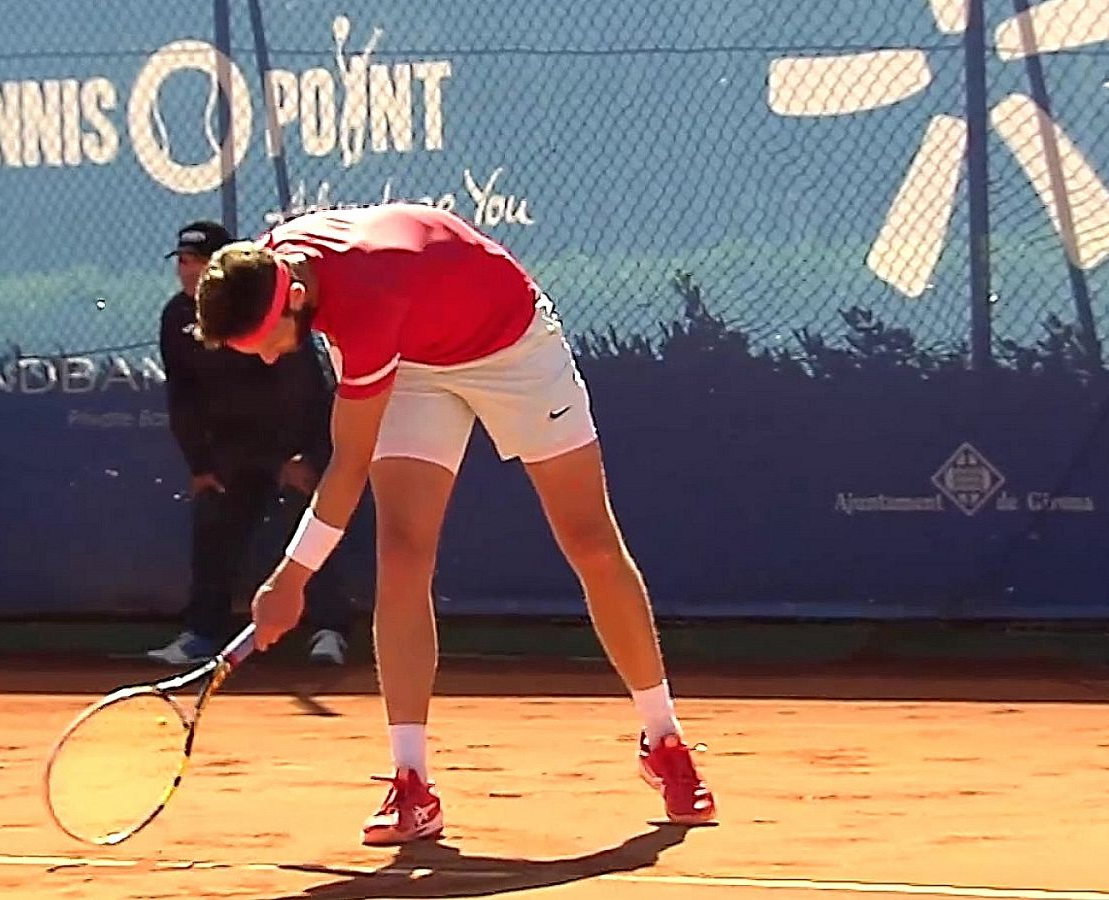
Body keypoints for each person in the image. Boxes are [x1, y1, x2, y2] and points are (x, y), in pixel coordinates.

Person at [190, 203, 717, 845]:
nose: (271, 360)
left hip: (511, 346)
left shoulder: (367, 298)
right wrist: (292, 579)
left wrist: (289, 580)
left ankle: (663, 739)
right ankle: (411, 781)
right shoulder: (274, 262)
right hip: (414, 365)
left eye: (270, 342)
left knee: (591, 542)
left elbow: (347, 465)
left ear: (295, 295)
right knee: (403, 555)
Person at [148, 220, 356, 667]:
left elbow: (304, 391)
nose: (188, 271)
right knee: (211, 523)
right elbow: (182, 395)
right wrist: (199, 464)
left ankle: (329, 630)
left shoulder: (267, 309)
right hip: (231, 452)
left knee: (304, 526)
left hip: (289, 444)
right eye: (183, 262)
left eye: (199, 263)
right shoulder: (175, 317)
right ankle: (201, 634)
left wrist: (299, 459)